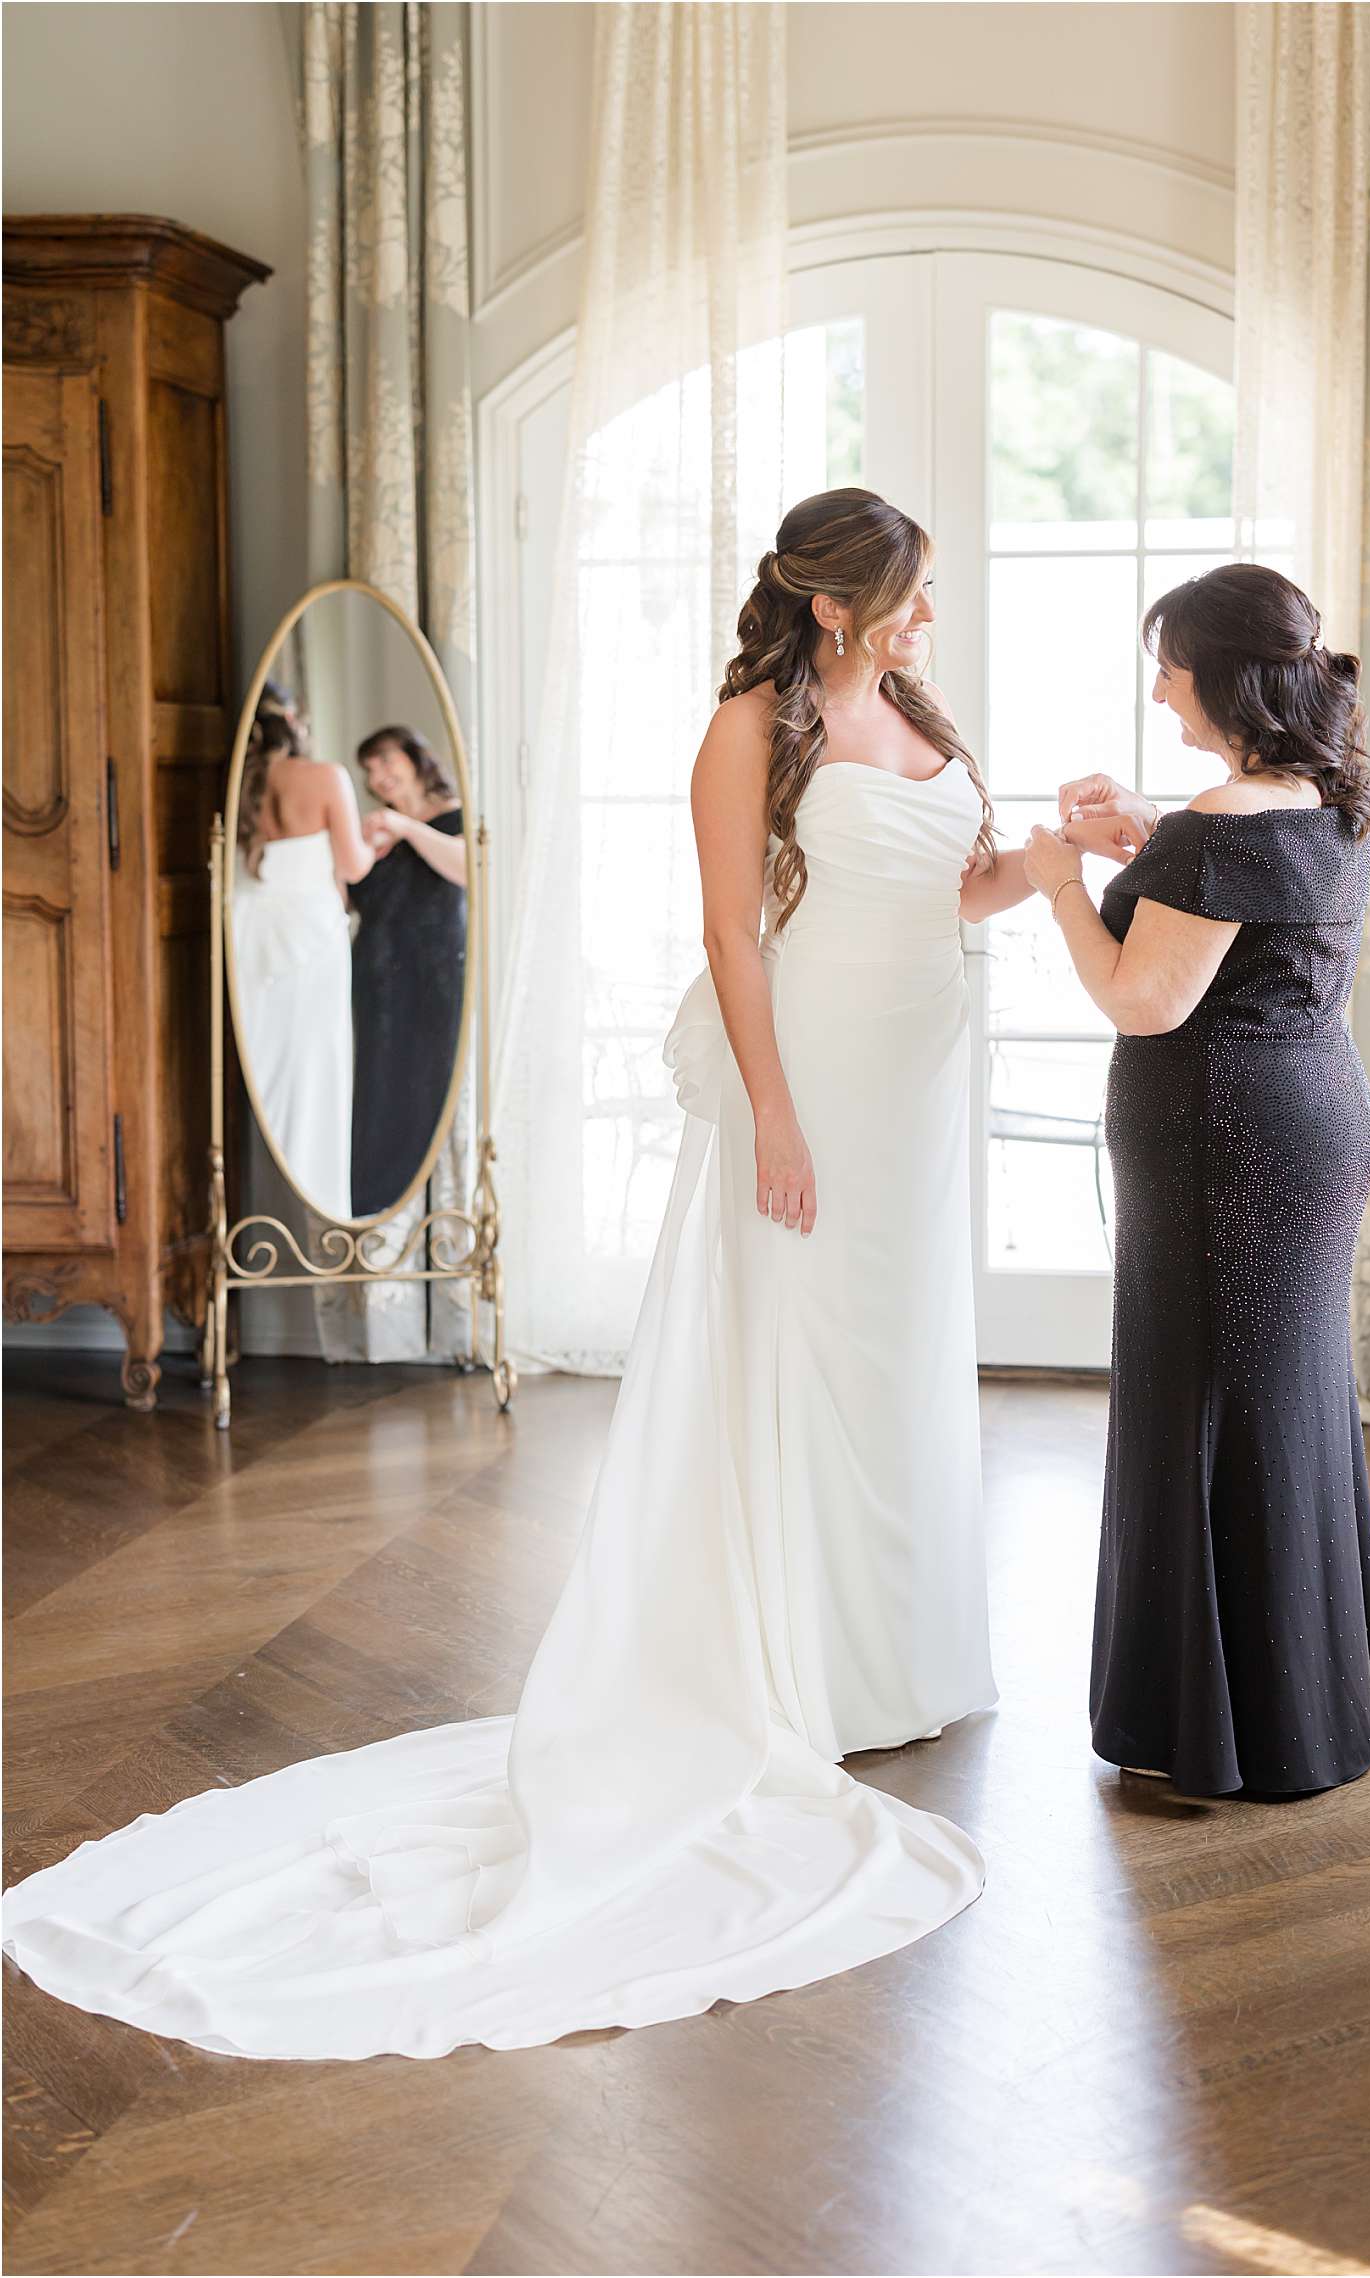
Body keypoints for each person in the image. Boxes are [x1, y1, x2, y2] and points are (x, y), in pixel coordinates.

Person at [1, 488, 1094, 2062]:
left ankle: (896, 1650)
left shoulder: (915, 704)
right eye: (914, 595)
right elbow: (731, 934)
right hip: (817, 1080)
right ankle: (794, 1670)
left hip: (920, 1079)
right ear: (840, 606)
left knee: (899, 1353)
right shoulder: (746, 728)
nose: (937, 616)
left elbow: (959, 882)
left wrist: (1053, 856)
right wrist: (773, 1113)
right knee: (802, 1357)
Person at [1022, 562, 1370, 1798]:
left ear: (1223, 676)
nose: (1155, 689)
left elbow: (1143, 999)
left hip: (1223, 1141)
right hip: (1307, 1115)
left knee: (1202, 1404)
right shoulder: (1316, 795)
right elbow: (1234, 889)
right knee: (1278, 1400)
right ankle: (1302, 1712)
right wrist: (1149, 829)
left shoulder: (1220, 820)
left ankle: (1215, 1732)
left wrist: (1059, 886)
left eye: (1169, 669)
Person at [229, 685, 373, 1223]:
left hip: (249, 929)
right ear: (293, 720)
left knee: (262, 1061)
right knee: (317, 1065)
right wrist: (377, 841)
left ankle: (267, 1207)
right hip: (310, 938)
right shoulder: (325, 777)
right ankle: (320, 1203)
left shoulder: (239, 784)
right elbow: (354, 865)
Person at [346, 726, 469, 1217]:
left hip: (435, 974)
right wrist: (358, 852)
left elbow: (469, 870)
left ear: (414, 758)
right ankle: (377, 1213)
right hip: (377, 980)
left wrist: (408, 830)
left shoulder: (456, 815)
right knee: (378, 1091)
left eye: (384, 761)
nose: (378, 776)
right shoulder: (375, 831)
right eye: (369, 770)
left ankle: (431, 1211)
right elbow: (352, 900)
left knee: (428, 1086)